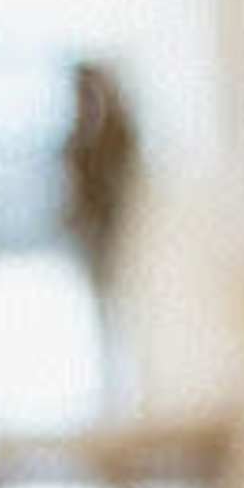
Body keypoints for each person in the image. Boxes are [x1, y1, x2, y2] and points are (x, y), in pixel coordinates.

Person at [56, 59, 142, 399]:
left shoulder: (116, 133)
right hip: (92, 236)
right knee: (101, 313)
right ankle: (107, 382)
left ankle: (122, 381)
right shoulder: (77, 137)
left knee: (122, 311)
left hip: (117, 233)